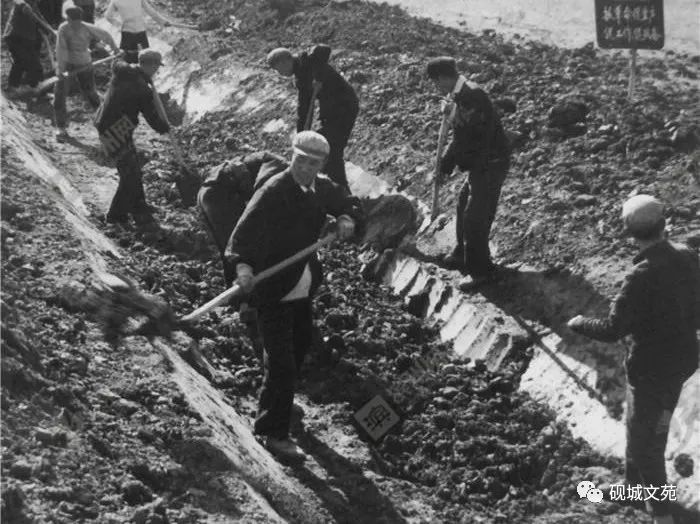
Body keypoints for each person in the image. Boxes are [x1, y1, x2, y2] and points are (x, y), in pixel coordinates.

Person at [225, 131, 364, 461]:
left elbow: (350, 202)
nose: (304, 168)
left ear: (321, 165)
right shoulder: (273, 191)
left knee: (300, 347)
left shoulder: (322, 188)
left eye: (312, 164)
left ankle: (278, 399)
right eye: (300, 161)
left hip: (301, 283)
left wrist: (347, 217)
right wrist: (243, 267)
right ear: (292, 157)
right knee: (283, 364)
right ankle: (272, 432)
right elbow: (242, 235)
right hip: (273, 286)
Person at [568, 195, 700, 524]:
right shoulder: (688, 257)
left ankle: (661, 513)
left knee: (646, 448)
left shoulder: (639, 277)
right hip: (680, 361)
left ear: (629, 233)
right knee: (639, 428)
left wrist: (580, 323)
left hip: (652, 372)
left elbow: (613, 329)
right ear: (664, 223)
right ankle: (633, 489)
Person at [426, 56, 511, 291]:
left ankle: (481, 271)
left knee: (475, 217)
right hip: (481, 164)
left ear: (444, 78)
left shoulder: (472, 96)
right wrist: (445, 166)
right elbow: (460, 135)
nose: (436, 87)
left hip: (490, 163)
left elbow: (470, 138)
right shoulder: (460, 96)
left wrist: (452, 165)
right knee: (463, 204)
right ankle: (462, 253)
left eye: (435, 82)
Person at [267, 45, 359, 191]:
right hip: (330, 114)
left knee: (330, 150)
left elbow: (324, 49)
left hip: (345, 106)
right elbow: (303, 109)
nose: (281, 74)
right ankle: (334, 188)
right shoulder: (300, 80)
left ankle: (342, 191)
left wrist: (319, 78)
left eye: (279, 70)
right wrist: (301, 136)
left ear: (285, 61)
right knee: (323, 150)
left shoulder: (308, 60)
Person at [94, 49, 170, 225]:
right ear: (150, 65)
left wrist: (130, 54)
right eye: (156, 67)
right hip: (115, 130)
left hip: (107, 121)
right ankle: (115, 216)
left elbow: (117, 61)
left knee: (133, 166)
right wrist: (164, 127)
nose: (157, 71)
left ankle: (138, 206)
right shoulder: (141, 89)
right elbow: (151, 117)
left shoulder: (122, 70)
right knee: (129, 173)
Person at [54, 6, 119, 141]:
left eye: (77, 22)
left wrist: (115, 49)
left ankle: (105, 122)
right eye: (72, 22)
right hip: (67, 65)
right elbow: (61, 49)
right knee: (60, 94)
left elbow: (106, 35)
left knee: (90, 93)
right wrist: (61, 69)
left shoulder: (87, 27)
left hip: (85, 64)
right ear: (68, 19)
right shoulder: (63, 29)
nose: (75, 25)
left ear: (80, 20)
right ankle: (61, 127)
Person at [3, 0, 49, 96]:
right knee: (26, 62)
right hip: (17, 39)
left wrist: (51, 31)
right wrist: (46, 29)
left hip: (27, 40)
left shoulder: (33, 6)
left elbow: (40, 19)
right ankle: (21, 88)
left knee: (25, 62)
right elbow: (30, 14)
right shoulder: (21, 4)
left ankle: (29, 86)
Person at [105, 0, 171, 64]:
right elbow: (151, 11)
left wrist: (119, 25)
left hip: (127, 33)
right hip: (140, 31)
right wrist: (163, 22)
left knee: (129, 60)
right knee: (143, 59)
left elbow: (108, 16)